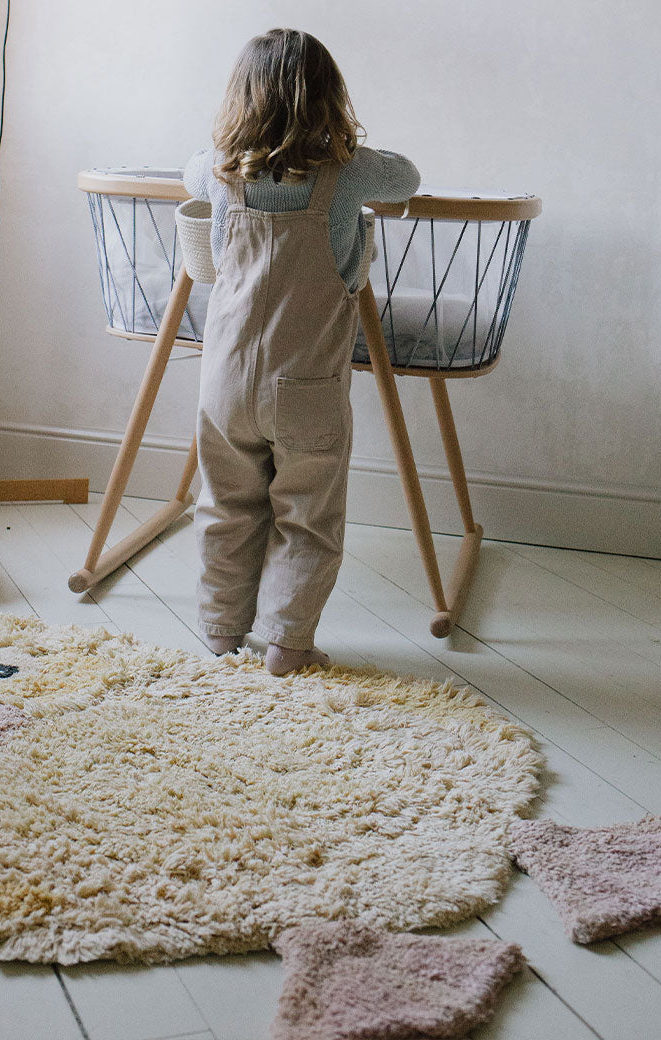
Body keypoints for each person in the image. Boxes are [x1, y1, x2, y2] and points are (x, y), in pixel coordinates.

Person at [184, 27, 420, 676]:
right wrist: (343, 142)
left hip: (225, 385)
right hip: (307, 387)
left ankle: (220, 629)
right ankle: (289, 643)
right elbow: (407, 177)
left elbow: (189, 170)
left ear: (240, 100)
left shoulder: (213, 169)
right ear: (328, 99)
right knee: (308, 516)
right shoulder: (346, 174)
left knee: (225, 506)